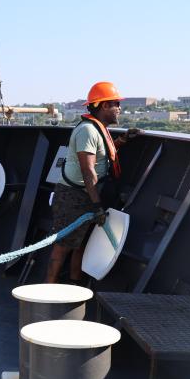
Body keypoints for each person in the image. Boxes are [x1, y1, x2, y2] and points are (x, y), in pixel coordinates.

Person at [46, 81, 141, 284]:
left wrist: (123, 140)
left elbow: (101, 154)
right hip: (74, 195)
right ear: (104, 106)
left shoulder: (99, 129)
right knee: (63, 245)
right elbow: (88, 171)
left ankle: (74, 286)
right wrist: (97, 206)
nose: (119, 108)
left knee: (81, 244)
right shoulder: (88, 130)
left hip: (88, 193)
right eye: (116, 103)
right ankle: (48, 290)